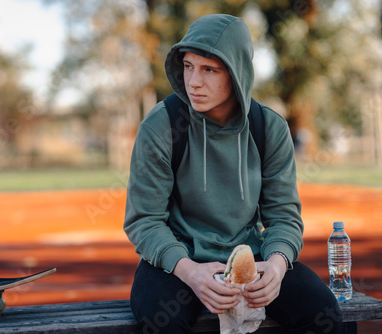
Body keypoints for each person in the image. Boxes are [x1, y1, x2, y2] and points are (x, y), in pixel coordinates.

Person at [124, 14, 353, 334]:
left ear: (237, 73)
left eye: (209, 70)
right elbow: (145, 219)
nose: (193, 81)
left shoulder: (268, 128)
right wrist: (191, 273)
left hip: (251, 257)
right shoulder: (162, 126)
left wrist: (276, 263)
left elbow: (283, 215)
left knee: (327, 316)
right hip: (177, 262)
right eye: (188, 66)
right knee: (162, 323)